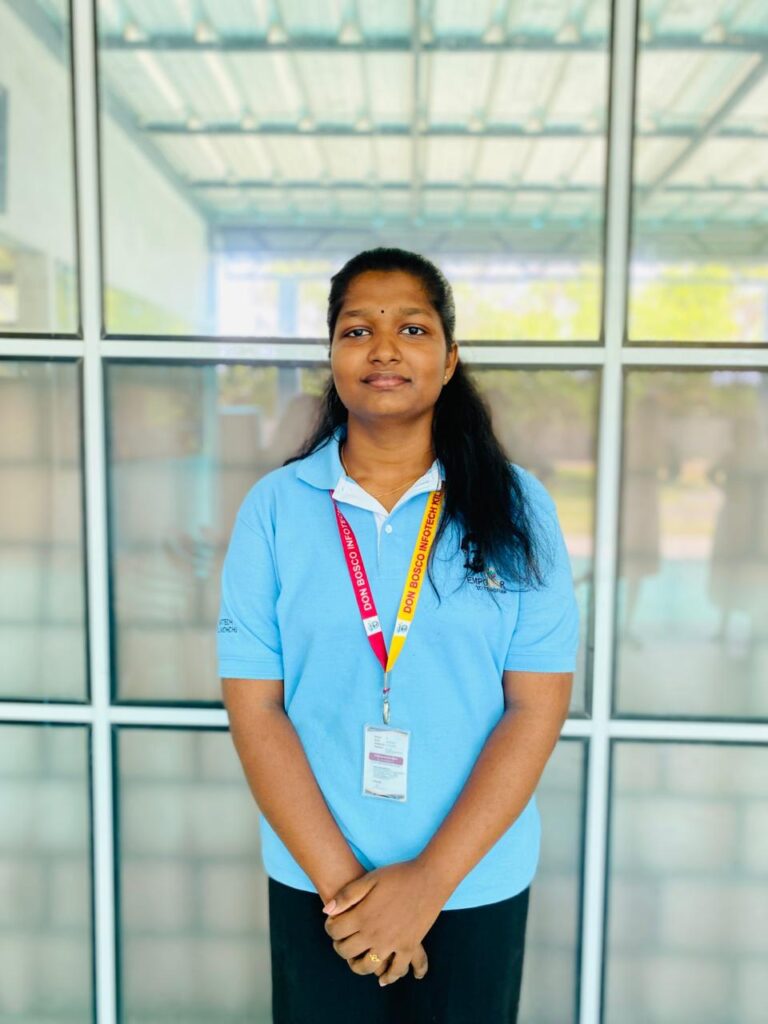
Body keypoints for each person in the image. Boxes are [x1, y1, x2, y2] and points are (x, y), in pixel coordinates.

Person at [218, 247, 580, 1024]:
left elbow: (537, 706)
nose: (383, 348)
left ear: (449, 360)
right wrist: (351, 895)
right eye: (358, 330)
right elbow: (255, 708)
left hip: (473, 881)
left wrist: (427, 884)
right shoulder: (275, 508)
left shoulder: (519, 507)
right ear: (332, 357)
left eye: (412, 328)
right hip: (321, 884)